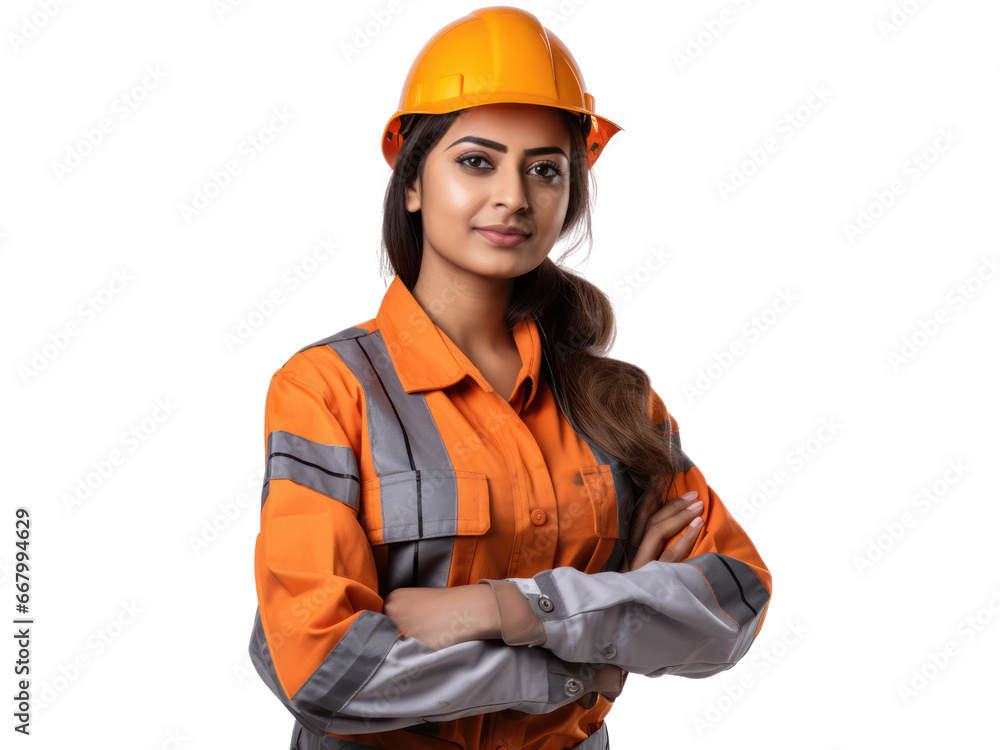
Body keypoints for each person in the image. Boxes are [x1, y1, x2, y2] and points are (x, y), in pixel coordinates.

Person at [247, 7, 773, 749]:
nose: (515, 197)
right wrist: (587, 662)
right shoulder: (327, 391)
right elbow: (326, 671)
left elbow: (733, 604)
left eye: (545, 169)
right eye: (476, 161)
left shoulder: (617, 405)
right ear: (412, 183)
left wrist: (504, 607)